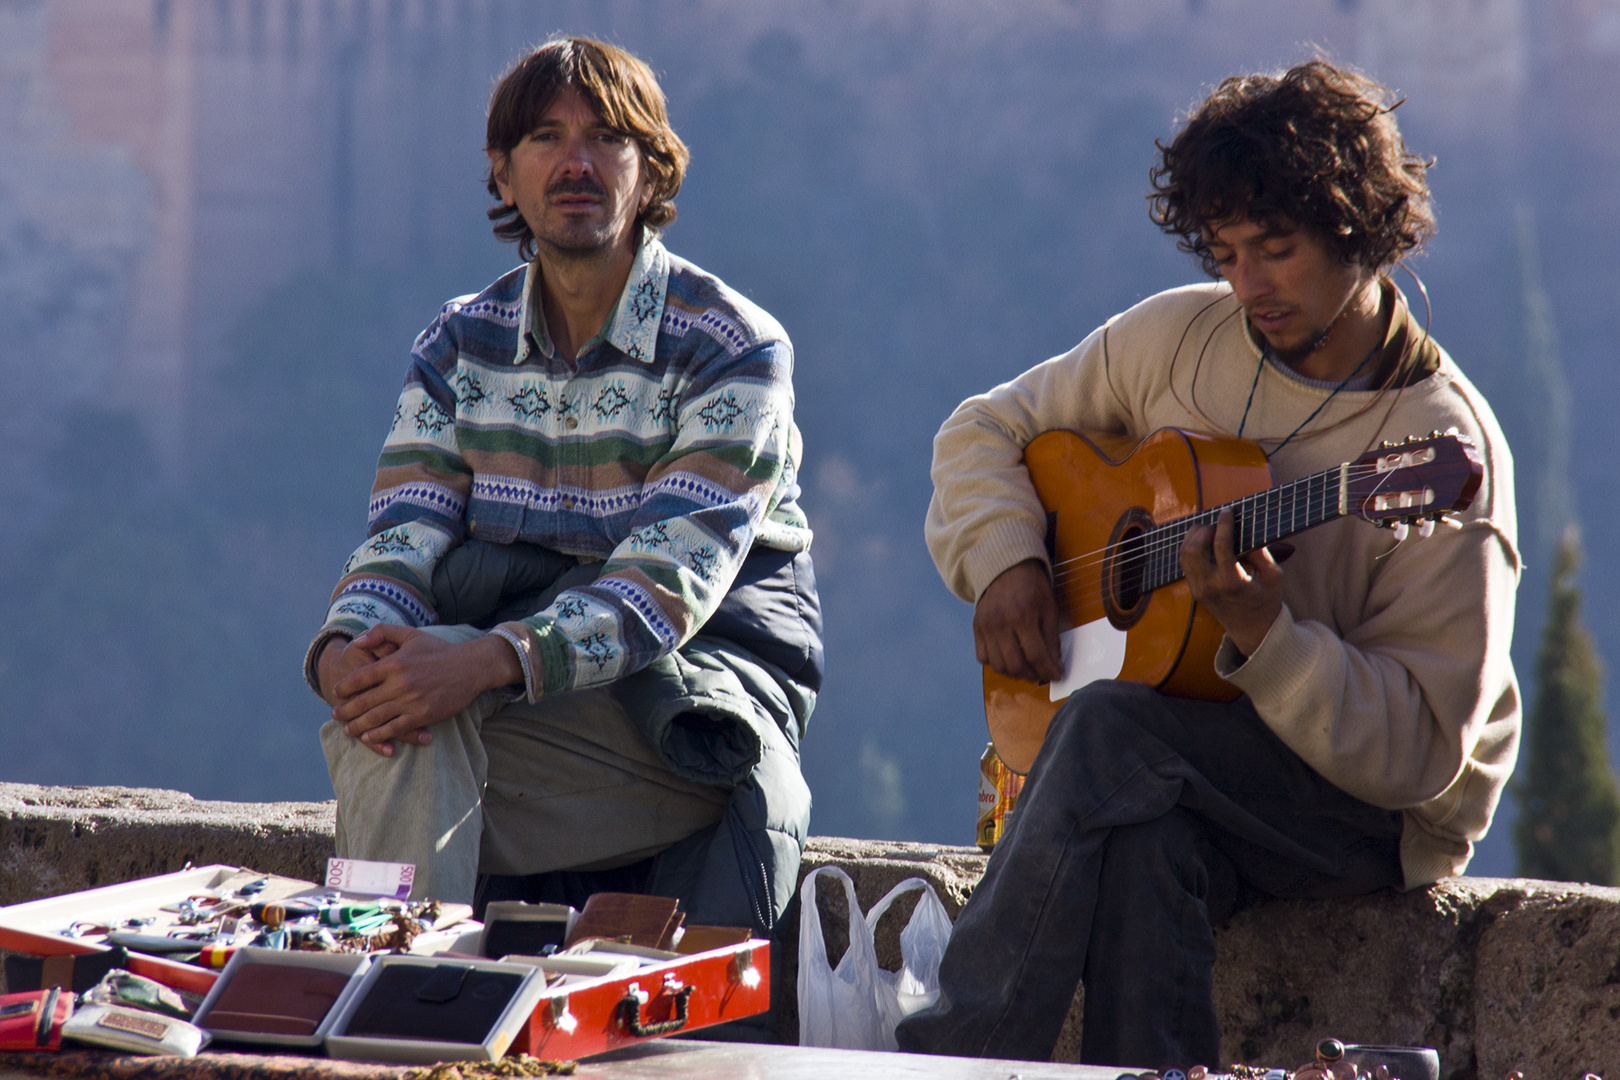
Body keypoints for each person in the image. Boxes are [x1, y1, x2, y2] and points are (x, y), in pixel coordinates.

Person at [897, 61, 1519, 1067]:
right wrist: (1008, 557)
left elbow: (1418, 755)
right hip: (1193, 756)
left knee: (1106, 731)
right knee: (1144, 842)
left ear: (1361, 230)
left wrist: (1265, 638)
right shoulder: (1181, 339)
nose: (1247, 287)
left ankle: (949, 1058)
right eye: (1226, 252)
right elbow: (985, 430)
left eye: (1276, 250)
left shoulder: (1438, 452)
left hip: (1369, 813)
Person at [304, 37, 821, 938]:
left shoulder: (731, 348)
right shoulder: (461, 345)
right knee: (387, 725)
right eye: (544, 138)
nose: (575, 162)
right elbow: (404, 536)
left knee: (407, 729)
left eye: (607, 138)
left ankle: (380, 1004)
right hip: (531, 718)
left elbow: (665, 586)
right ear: (504, 175)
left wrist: (480, 661)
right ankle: (405, 1017)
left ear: (652, 170)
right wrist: (344, 651)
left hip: (689, 709)